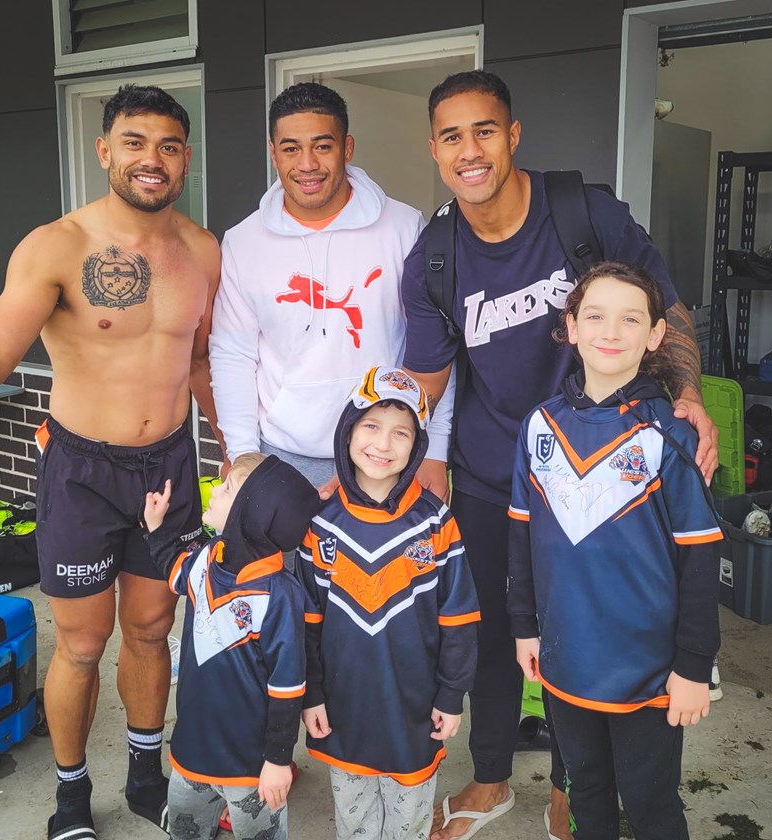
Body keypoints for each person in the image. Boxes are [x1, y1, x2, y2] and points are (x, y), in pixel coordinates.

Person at [399, 71, 719, 840]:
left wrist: (691, 396)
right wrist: (383, 458)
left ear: (512, 136)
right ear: (434, 149)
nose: (469, 151)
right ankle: (490, 778)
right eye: (451, 136)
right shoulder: (435, 256)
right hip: (496, 469)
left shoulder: (583, 212)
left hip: (611, 469)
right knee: (497, 632)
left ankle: (578, 786)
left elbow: (663, 306)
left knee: (599, 623)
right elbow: (428, 377)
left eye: (484, 131)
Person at [0, 85, 221, 840]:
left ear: (185, 157)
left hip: (168, 464)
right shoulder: (57, 244)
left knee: (154, 629)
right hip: (82, 471)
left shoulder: (203, 251)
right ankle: (69, 793)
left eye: (167, 144)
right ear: (105, 151)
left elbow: (199, 364)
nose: (150, 159)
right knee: (84, 642)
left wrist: (241, 453)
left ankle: (142, 775)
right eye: (134, 142)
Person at [508, 261, 722, 839]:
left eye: (631, 319)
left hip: (647, 671)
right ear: (571, 326)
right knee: (587, 792)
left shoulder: (669, 436)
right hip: (565, 659)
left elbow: (700, 559)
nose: (611, 330)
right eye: (595, 315)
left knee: (652, 804)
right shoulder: (539, 428)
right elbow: (521, 539)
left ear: (654, 336)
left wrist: (694, 666)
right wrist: (525, 627)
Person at [210, 82, 451, 496]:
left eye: (323, 146)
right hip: (280, 456)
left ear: (347, 148)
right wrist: (243, 449)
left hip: (384, 455)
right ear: (273, 152)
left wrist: (436, 448)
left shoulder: (404, 226)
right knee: (278, 565)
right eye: (290, 149)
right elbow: (233, 353)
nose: (307, 164)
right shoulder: (242, 241)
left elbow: (434, 343)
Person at [298, 367, 480, 840]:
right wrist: (311, 694)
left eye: (401, 433)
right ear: (348, 432)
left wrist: (450, 694)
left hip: (415, 712)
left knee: (408, 825)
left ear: (418, 445)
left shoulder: (436, 522)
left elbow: (459, 617)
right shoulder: (320, 525)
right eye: (371, 427)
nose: (383, 444)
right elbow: (306, 623)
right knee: (355, 823)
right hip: (343, 710)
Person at [142, 452, 321, 840]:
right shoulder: (208, 559)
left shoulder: (279, 595)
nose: (215, 492)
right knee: (185, 832)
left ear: (248, 516)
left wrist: (277, 760)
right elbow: (175, 570)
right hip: (191, 752)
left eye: (226, 489)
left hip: (250, 766)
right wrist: (156, 530)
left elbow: (288, 688)